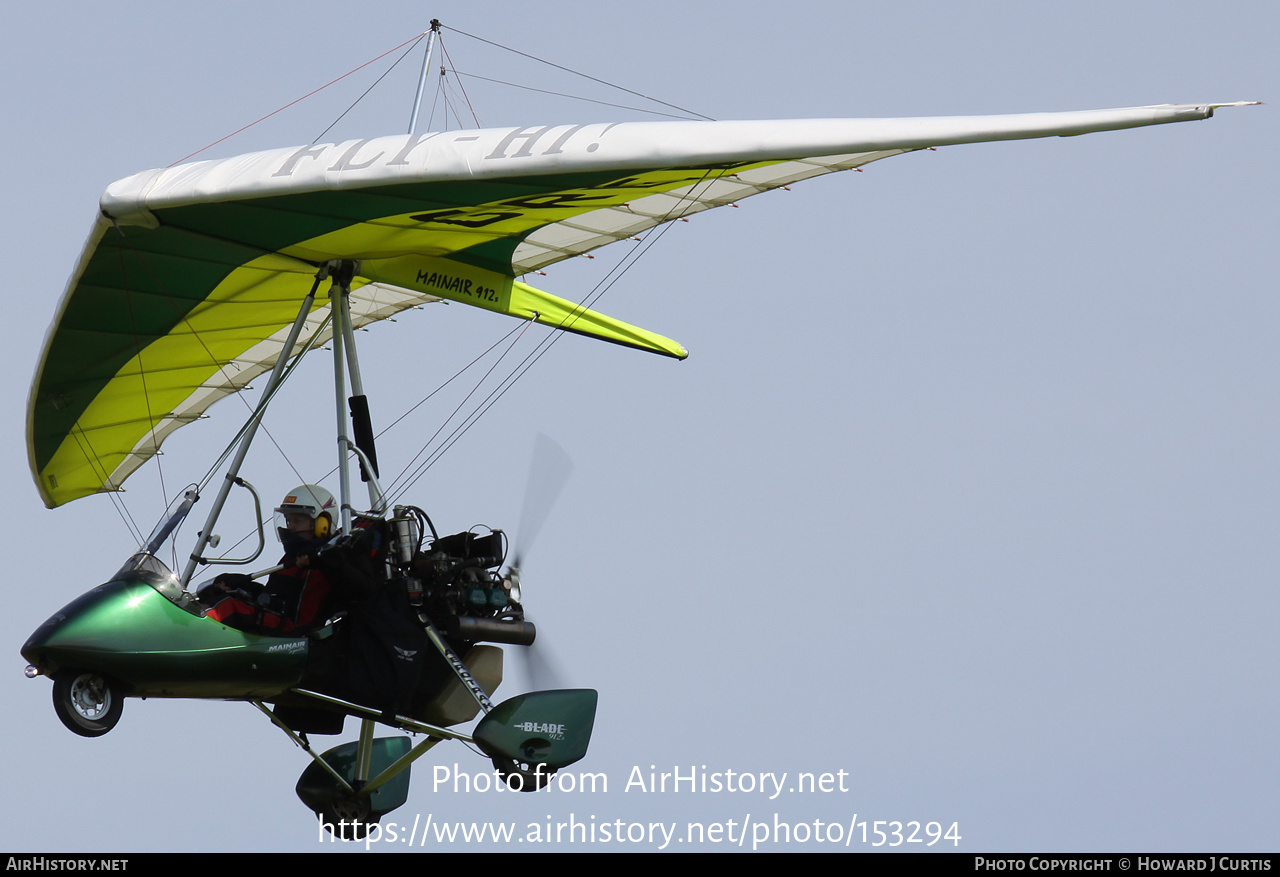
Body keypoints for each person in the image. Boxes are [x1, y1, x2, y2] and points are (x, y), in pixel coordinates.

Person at [199, 484, 343, 635]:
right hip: (275, 618)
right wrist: (246, 586)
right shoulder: (289, 558)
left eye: (298, 521)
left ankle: (190, 629)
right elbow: (274, 597)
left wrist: (322, 563)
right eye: (289, 521)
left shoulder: (330, 558)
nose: (291, 527)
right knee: (214, 593)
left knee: (229, 606)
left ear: (322, 525)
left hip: (296, 629)